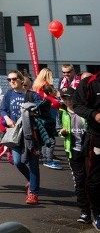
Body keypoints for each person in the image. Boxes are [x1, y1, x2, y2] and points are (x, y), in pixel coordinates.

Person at [0, 69, 43, 205]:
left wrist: (32, 113)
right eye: (9, 80)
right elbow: (2, 109)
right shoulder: (8, 94)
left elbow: (42, 111)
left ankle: (33, 193)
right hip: (16, 134)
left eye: (14, 79)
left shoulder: (33, 96)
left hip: (32, 134)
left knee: (34, 164)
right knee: (18, 162)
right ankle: (30, 180)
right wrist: (6, 119)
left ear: (21, 80)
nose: (11, 82)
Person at [72, 70, 100, 229]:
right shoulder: (89, 83)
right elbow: (77, 105)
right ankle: (96, 213)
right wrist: (94, 114)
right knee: (94, 179)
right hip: (96, 137)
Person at [58, 87, 90, 224]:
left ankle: (96, 210)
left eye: (70, 97)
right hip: (72, 151)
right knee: (79, 181)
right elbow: (58, 129)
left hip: (88, 150)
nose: (68, 101)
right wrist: (62, 133)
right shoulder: (61, 112)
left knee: (92, 181)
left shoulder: (83, 110)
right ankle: (85, 212)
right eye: (65, 98)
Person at [32, 67, 63, 169]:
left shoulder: (36, 85)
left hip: (39, 113)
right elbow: (48, 99)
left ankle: (47, 157)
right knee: (50, 138)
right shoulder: (45, 86)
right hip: (48, 112)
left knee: (44, 136)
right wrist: (57, 102)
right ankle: (48, 159)